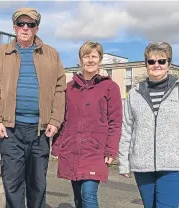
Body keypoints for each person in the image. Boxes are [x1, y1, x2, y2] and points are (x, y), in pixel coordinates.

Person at [0, 7, 66, 208]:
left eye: (30, 24)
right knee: (12, 185)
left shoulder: (51, 54)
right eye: (21, 24)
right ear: (14, 27)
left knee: (37, 185)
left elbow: (60, 90)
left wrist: (56, 121)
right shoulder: (1, 53)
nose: (25, 28)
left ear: (36, 28)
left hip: (39, 131)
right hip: (11, 131)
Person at [118, 42, 179, 208]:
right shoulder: (135, 94)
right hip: (142, 165)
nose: (156, 65)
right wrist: (124, 161)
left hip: (173, 165)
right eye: (151, 61)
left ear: (169, 63)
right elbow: (127, 128)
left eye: (162, 61)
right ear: (146, 64)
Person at [51, 41, 123, 208]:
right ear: (80, 60)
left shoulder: (110, 87)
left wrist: (111, 149)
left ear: (100, 60)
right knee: (77, 196)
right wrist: (57, 145)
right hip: (72, 148)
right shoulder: (69, 87)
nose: (90, 60)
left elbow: (115, 121)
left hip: (95, 149)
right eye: (86, 56)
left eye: (94, 56)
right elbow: (62, 118)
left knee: (88, 194)